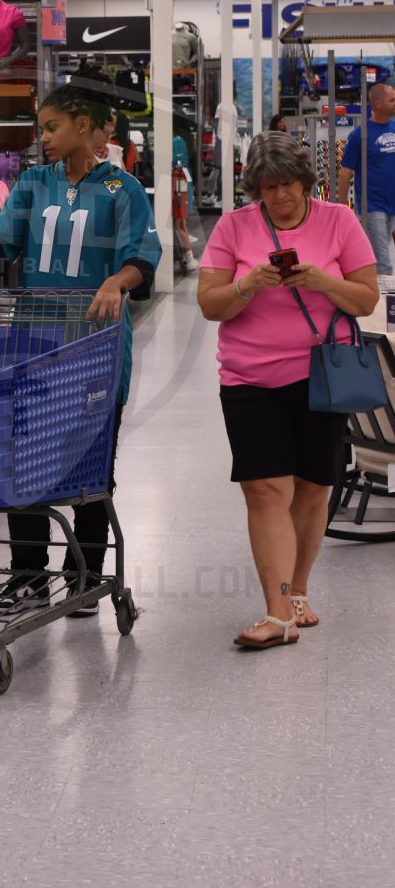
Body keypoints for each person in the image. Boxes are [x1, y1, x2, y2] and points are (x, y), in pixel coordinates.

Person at [0, 81, 162, 616]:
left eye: (51, 127)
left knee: (90, 468)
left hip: (96, 348)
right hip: (33, 347)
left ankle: (84, 576)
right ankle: (28, 577)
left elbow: (143, 257)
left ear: (83, 125)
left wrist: (116, 283)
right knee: (21, 460)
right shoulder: (34, 184)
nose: (44, 139)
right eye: (42, 129)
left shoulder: (122, 189)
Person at [197, 132, 378, 649]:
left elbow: (365, 299)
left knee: (313, 486)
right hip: (249, 378)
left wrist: (321, 281)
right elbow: (211, 305)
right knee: (264, 488)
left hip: (322, 373)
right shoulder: (233, 227)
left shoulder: (340, 221)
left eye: (288, 186)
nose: (278, 197)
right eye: (267, 188)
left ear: (306, 182)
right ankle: (277, 613)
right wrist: (247, 286)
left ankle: (298, 589)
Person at [339, 81, 395, 275]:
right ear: (377, 103)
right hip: (373, 206)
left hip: (393, 204)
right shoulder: (359, 135)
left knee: (382, 254)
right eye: (392, 99)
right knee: (383, 262)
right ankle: (384, 304)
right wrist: (342, 206)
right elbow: (346, 171)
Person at [173, 132, 198, 272]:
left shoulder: (176, 142)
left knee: (179, 224)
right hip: (180, 188)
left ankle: (188, 257)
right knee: (181, 224)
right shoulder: (179, 141)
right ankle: (187, 257)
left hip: (177, 188)